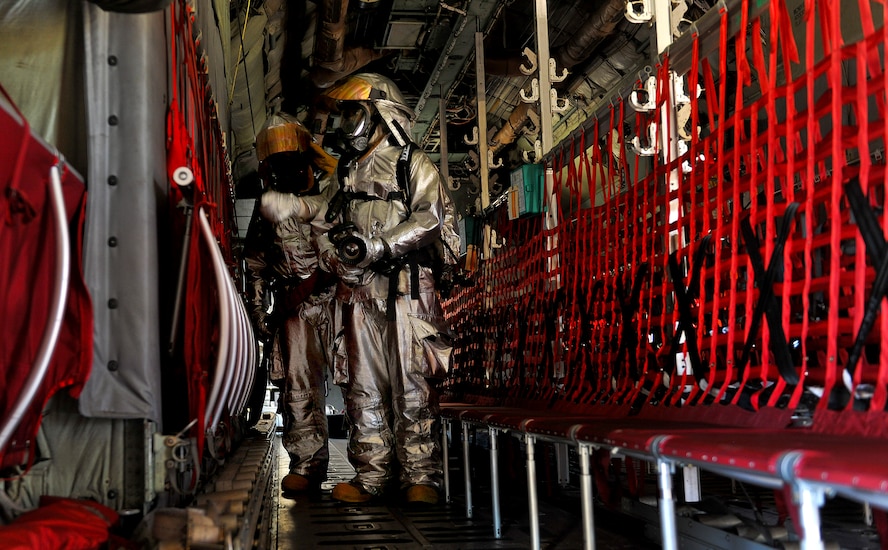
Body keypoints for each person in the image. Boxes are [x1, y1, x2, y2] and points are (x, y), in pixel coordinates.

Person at [259, 73, 453, 505]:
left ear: (380, 112)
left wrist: (380, 245)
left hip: (406, 287)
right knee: (362, 385)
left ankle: (421, 475)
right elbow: (328, 215)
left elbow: (430, 218)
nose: (346, 123)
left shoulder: (412, 162)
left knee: (412, 380)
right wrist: (306, 219)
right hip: (358, 291)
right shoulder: (346, 171)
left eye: (353, 111)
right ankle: (371, 475)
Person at [244, 113, 338, 494]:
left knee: (362, 382)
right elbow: (255, 264)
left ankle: (376, 466)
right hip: (294, 307)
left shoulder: (334, 193)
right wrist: (258, 311)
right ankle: (306, 462)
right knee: (299, 386)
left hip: (341, 298)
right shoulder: (268, 209)